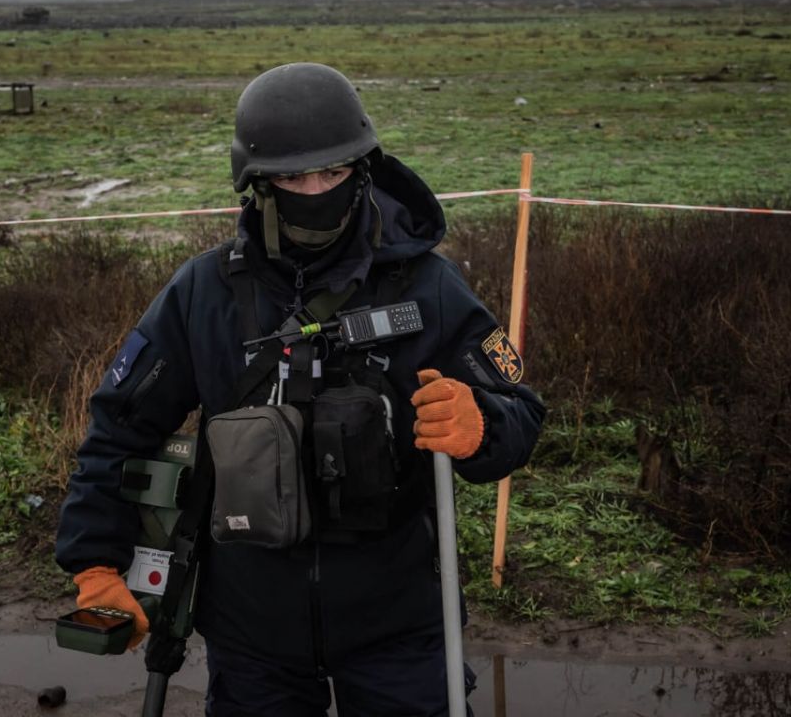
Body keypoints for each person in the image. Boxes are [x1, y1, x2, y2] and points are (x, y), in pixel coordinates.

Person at [55, 62, 545, 716]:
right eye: (291, 176)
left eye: (334, 173)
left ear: (363, 167)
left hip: (399, 627)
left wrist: (482, 424)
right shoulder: (204, 292)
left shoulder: (428, 287)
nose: (315, 189)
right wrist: (95, 565)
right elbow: (120, 425)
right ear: (255, 183)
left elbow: (521, 412)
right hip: (251, 634)